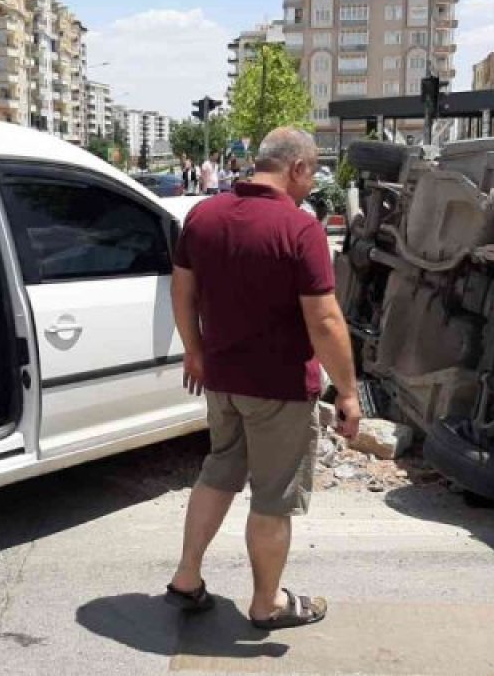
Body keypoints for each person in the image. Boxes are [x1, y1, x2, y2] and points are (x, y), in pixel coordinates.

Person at [165, 127, 362, 631]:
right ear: (295, 167)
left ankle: (187, 578)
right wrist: (348, 390)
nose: (311, 183)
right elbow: (325, 321)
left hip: (222, 380)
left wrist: (194, 350)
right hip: (277, 387)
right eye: (312, 172)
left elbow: (181, 291)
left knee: (219, 472)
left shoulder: (203, 216)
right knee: (274, 498)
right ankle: (266, 603)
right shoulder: (299, 229)